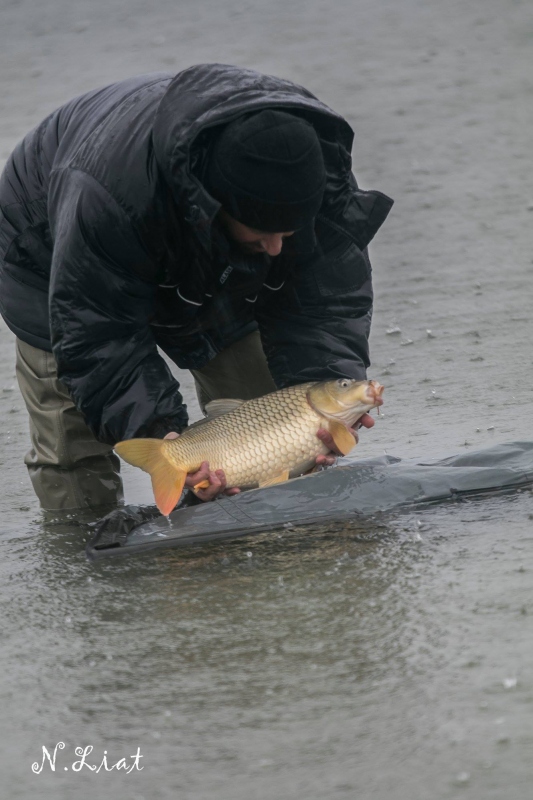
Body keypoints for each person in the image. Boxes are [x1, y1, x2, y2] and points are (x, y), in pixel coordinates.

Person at [0, 63, 393, 517]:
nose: (276, 247)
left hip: (219, 257)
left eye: (289, 232)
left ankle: (273, 553)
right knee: (73, 451)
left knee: (275, 424)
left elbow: (323, 303)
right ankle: (91, 566)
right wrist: (162, 436)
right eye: (262, 232)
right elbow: (99, 336)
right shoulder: (106, 199)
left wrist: (324, 385)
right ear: (215, 205)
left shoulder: (309, 173)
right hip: (55, 260)